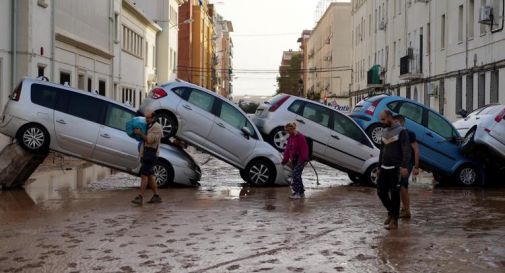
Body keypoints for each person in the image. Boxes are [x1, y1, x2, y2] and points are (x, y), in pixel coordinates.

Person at [377, 110, 411, 230]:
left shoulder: (402, 131)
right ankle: (392, 213)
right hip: (384, 168)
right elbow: (382, 150)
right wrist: (379, 167)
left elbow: (406, 150)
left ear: (390, 118)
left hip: (396, 168)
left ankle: (394, 221)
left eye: (383, 119)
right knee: (381, 192)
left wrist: (404, 166)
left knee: (395, 193)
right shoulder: (384, 131)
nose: (382, 122)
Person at [131, 111, 163, 205]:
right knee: (149, 176)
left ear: (153, 118)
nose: (146, 119)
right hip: (146, 154)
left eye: (148, 118)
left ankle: (140, 197)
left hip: (151, 155)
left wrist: (140, 133)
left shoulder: (156, 127)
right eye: (146, 118)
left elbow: (149, 140)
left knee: (144, 175)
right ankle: (156, 196)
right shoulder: (149, 125)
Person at [394, 115, 420, 219]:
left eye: (397, 122)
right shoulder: (395, 133)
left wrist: (416, 166)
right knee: (399, 187)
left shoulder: (409, 133)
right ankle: (403, 209)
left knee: (403, 186)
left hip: (407, 164)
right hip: (398, 163)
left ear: (402, 122)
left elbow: (416, 150)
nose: (395, 124)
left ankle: (406, 210)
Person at [281, 122, 309, 199]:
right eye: (287, 131)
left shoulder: (300, 137)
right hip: (294, 159)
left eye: (288, 131)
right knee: (298, 175)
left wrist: (305, 159)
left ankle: (297, 193)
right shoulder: (290, 137)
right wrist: (284, 160)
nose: (288, 132)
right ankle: (301, 192)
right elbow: (287, 150)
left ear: (293, 129)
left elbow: (304, 149)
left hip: (301, 158)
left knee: (295, 174)